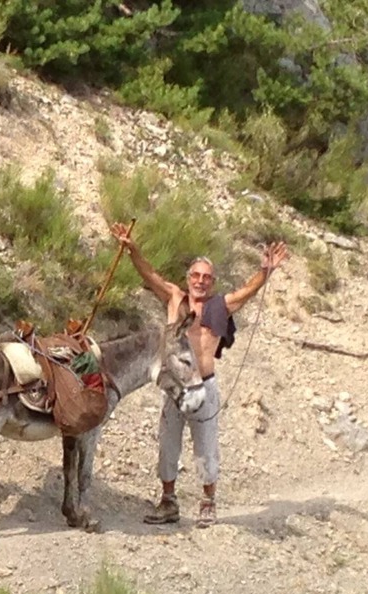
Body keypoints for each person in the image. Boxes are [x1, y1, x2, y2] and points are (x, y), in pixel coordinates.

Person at [113, 223, 288, 528]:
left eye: (206, 277)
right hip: (176, 387)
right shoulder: (174, 299)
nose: (200, 281)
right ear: (188, 278)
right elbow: (149, 274)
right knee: (168, 445)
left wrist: (266, 272)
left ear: (213, 281)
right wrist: (132, 248)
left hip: (204, 387)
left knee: (205, 448)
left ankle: (208, 501)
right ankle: (168, 502)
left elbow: (248, 290)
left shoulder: (222, 306)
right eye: (195, 275)